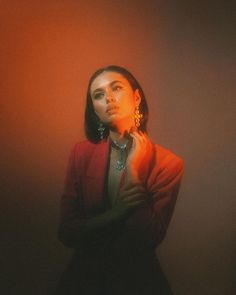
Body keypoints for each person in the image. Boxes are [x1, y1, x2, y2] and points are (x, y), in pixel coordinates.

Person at [55, 65, 184, 295]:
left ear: (136, 97)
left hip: (138, 283)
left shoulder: (168, 164)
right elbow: (67, 231)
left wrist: (134, 172)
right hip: (83, 280)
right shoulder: (81, 154)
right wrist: (115, 214)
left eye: (116, 88)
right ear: (95, 111)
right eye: (99, 95)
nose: (109, 99)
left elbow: (149, 238)